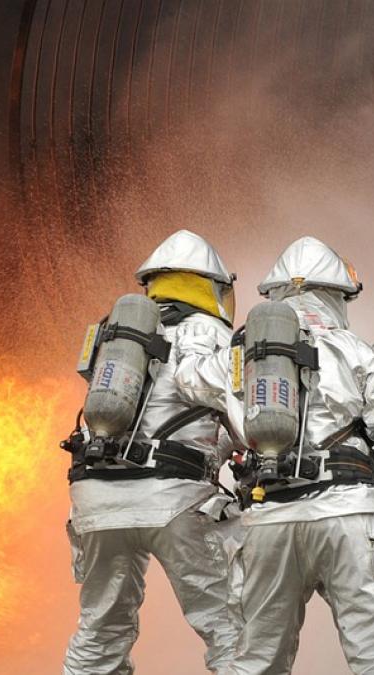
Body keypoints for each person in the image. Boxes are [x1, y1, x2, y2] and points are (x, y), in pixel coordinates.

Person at [174, 236, 374, 675]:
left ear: (273, 294)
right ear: (336, 295)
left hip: (268, 520)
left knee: (255, 662)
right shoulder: (358, 352)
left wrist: (195, 338)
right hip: (350, 516)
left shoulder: (240, 357)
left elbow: (188, 380)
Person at [63, 229, 242, 675]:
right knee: (231, 629)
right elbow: (244, 421)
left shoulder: (116, 333)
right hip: (175, 500)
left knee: (100, 631)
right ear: (215, 286)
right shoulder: (215, 335)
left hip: (96, 501)